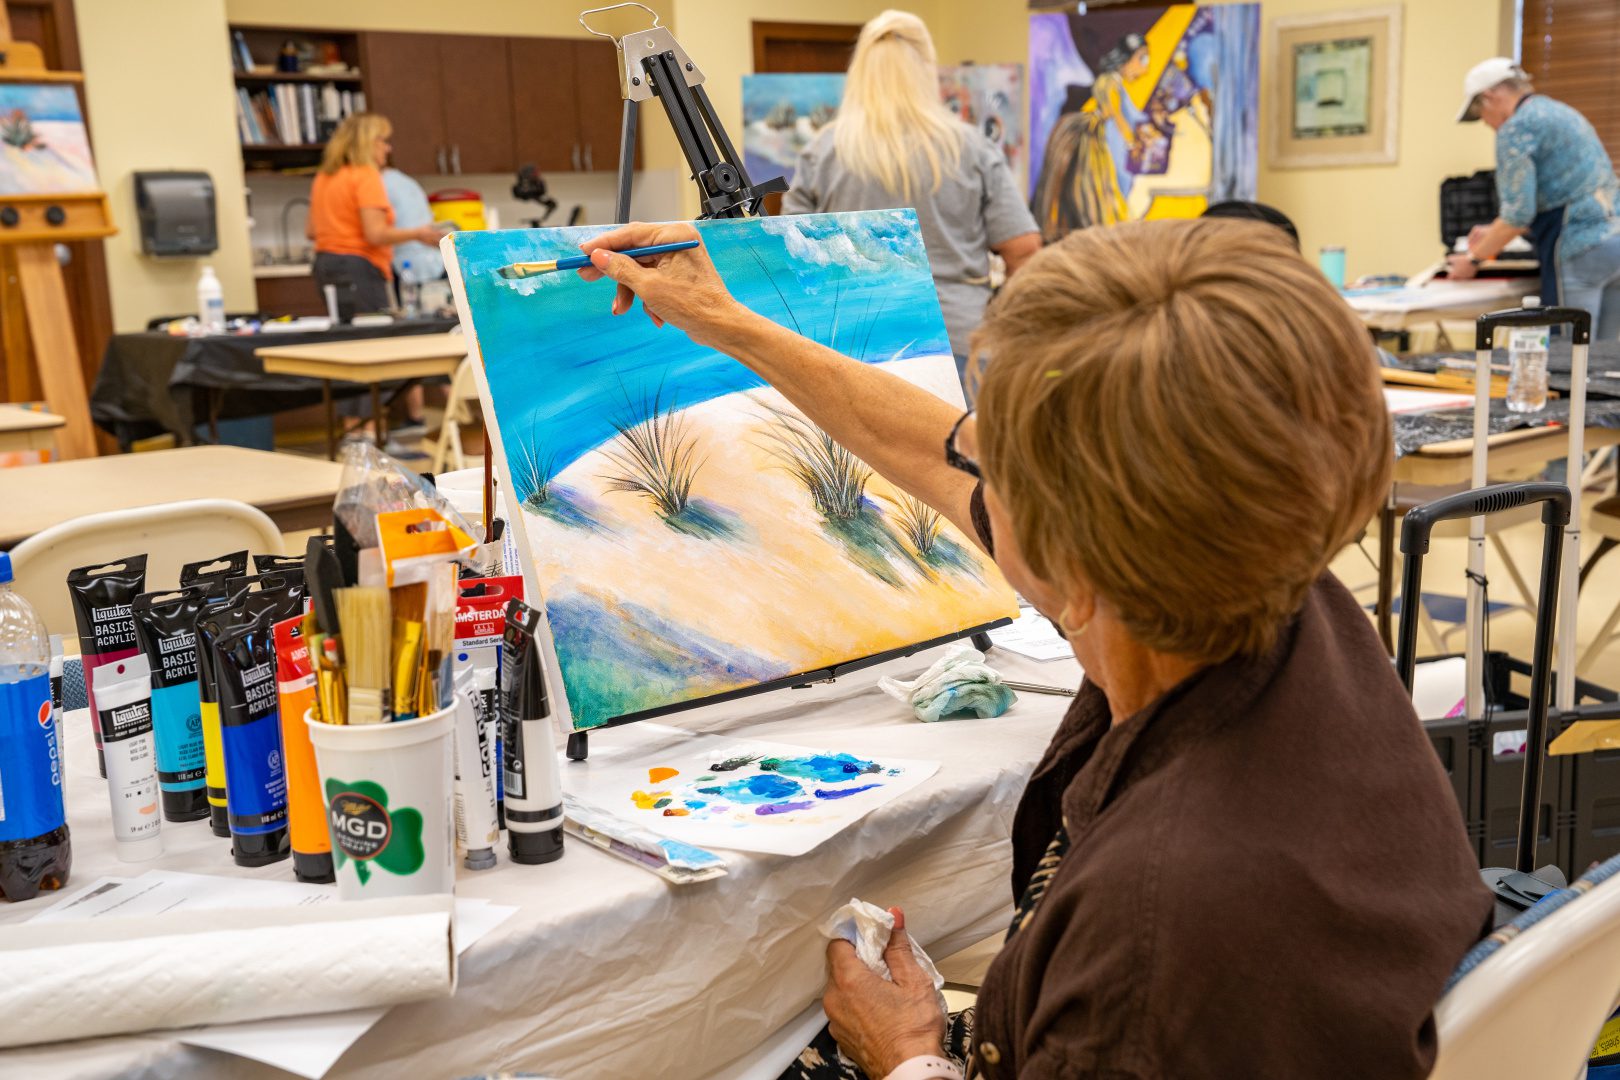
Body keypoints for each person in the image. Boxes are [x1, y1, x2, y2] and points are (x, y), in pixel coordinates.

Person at [576, 217, 1493, 1079]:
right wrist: (728, 322)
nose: (970, 470)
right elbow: (930, 448)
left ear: (1071, 565)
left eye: (999, 468)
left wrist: (909, 1056)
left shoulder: (1149, 945)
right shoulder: (1263, 575)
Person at [782, 11, 1039, 378]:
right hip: (960, 341)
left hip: (857, 346)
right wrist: (1007, 327)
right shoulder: (971, 148)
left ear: (859, 72)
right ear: (927, 70)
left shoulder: (823, 152)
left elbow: (792, 252)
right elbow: (1024, 251)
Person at [1448, 58, 1620, 337]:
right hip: (1614, 242)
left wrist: (1472, 260)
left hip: (1579, 246)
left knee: (1569, 349)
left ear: (1490, 97)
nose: (1486, 124)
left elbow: (1517, 215)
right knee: (1608, 353)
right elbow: (1565, 193)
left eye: (1481, 114)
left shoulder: (1516, 129)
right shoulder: (1560, 112)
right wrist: (1493, 231)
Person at [308, 113, 442, 436]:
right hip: (358, 268)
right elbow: (375, 233)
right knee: (371, 352)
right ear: (367, 143)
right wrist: (419, 234)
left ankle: (354, 434)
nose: (387, 148)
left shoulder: (325, 177)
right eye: (382, 140)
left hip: (326, 266)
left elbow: (311, 230)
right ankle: (366, 435)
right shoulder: (365, 175)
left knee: (347, 349)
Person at [1030, 33, 1155, 241]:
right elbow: (1115, 115)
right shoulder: (1110, 83)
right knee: (1111, 184)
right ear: (1126, 58)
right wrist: (1130, 141)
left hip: (1109, 138)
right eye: (1141, 58)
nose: (1145, 67)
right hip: (1108, 139)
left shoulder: (1114, 83)